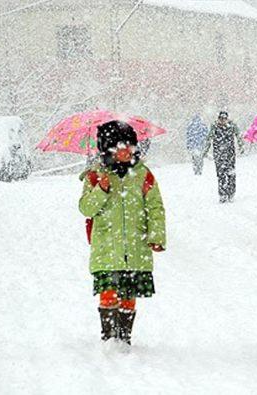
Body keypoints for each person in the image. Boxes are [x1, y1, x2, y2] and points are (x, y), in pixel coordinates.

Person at [79, 120, 166, 347]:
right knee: (109, 292)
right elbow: (86, 208)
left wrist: (156, 236)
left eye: (130, 146)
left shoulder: (143, 175)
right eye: (120, 146)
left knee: (128, 294)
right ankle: (109, 337)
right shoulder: (95, 176)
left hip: (135, 247)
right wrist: (101, 189)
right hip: (107, 248)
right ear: (107, 148)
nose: (126, 151)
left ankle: (124, 337)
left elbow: (155, 207)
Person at [203, 111, 239, 203]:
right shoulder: (214, 127)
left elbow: (239, 136)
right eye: (221, 118)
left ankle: (231, 193)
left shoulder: (232, 126)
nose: (222, 121)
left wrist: (241, 145)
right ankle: (222, 194)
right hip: (218, 154)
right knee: (221, 175)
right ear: (218, 118)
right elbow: (208, 139)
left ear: (227, 119)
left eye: (224, 119)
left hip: (230, 154)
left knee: (231, 174)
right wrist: (205, 151)